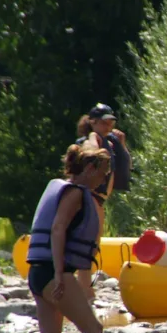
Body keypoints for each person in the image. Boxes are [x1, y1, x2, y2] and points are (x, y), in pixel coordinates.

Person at [25, 144, 112, 333]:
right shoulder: (74, 193)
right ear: (90, 168)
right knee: (93, 330)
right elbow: (58, 228)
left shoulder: (65, 188)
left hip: (38, 273)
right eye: (103, 173)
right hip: (53, 273)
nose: (104, 179)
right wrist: (59, 274)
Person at [74, 103, 130, 299]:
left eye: (110, 122)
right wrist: (94, 139)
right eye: (104, 122)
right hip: (89, 196)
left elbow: (126, 165)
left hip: (99, 199)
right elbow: (89, 155)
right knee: (88, 242)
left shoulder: (111, 142)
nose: (108, 126)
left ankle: (84, 286)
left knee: (93, 243)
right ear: (92, 122)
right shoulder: (87, 141)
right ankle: (84, 289)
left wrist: (122, 145)